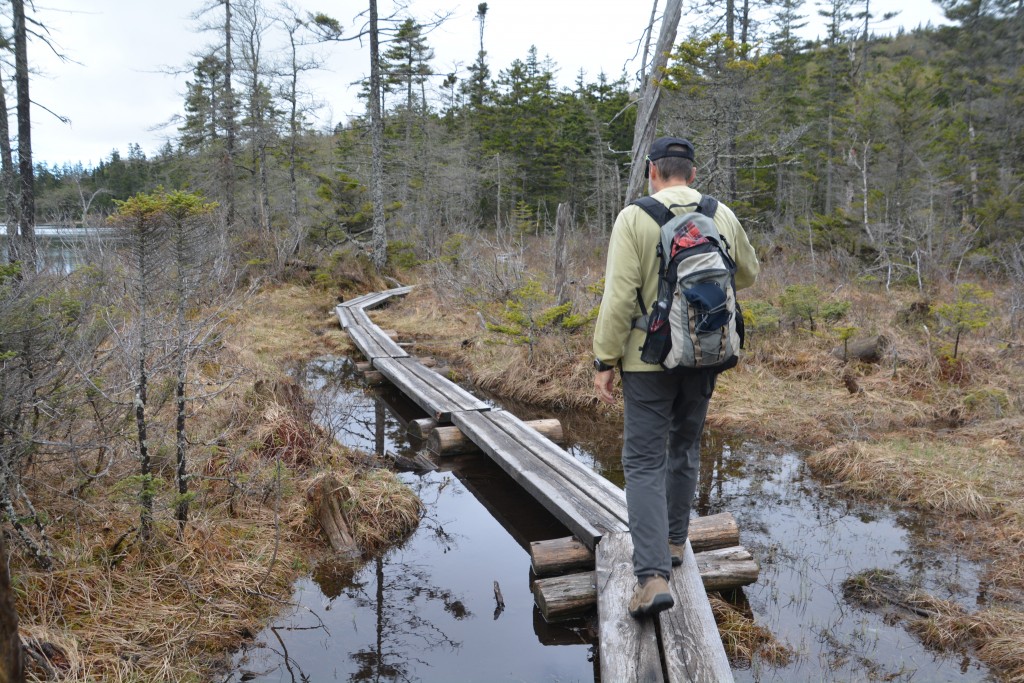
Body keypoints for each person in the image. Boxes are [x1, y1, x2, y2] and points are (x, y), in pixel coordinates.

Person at [592, 136, 760, 618]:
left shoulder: (634, 217)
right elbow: (746, 273)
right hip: (705, 356)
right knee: (684, 448)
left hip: (647, 360)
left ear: (652, 171)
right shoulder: (719, 212)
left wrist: (604, 360)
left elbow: (620, 297)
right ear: (691, 171)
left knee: (643, 462)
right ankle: (672, 544)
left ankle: (650, 579)